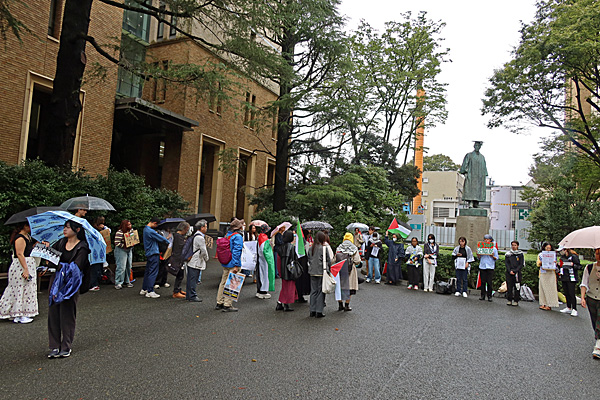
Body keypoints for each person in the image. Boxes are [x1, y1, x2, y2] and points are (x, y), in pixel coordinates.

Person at [47, 220, 90, 358]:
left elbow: (76, 267)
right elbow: (52, 259)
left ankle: (66, 346)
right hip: (56, 281)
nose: (65, 230)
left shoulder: (82, 247)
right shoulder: (60, 242)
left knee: (67, 313)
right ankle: (54, 346)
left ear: (77, 230)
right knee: (53, 313)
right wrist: (46, 252)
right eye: (64, 227)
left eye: (68, 227)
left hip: (71, 283)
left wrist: (60, 266)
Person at [0, 222, 38, 324]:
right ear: (24, 226)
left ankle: (20, 312)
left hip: (28, 263)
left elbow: (28, 250)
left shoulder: (28, 237)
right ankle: (19, 314)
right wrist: (25, 269)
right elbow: (20, 254)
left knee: (27, 288)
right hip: (21, 265)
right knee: (20, 288)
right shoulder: (20, 238)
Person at [216, 218, 244, 312]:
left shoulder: (227, 235)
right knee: (232, 283)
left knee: (223, 282)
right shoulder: (238, 236)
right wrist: (236, 265)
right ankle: (227, 304)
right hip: (233, 263)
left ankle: (219, 302)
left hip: (226, 262)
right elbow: (237, 251)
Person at [140, 217, 171, 299]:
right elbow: (162, 239)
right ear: (154, 223)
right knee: (153, 272)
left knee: (148, 271)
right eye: (156, 225)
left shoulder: (145, 229)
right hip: (153, 252)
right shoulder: (151, 231)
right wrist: (168, 242)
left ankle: (144, 288)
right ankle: (150, 291)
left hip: (149, 253)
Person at [580, 248, 600, 359]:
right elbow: (584, 283)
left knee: (599, 321)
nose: (599, 256)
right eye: (597, 253)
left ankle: (598, 346)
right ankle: (598, 339)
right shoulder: (589, 267)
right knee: (594, 320)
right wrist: (582, 297)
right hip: (591, 298)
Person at [335, 233, 361, 311]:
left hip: (340, 269)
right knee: (350, 288)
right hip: (350, 270)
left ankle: (340, 304)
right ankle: (347, 305)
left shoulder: (339, 247)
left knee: (340, 287)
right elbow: (357, 260)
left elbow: (334, 259)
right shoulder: (354, 248)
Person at [308, 231, 331, 318]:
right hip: (321, 272)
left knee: (313, 291)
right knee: (321, 291)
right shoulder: (324, 248)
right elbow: (329, 261)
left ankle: (312, 310)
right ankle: (319, 311)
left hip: (312, 272)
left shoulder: (311, 248)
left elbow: (309, 259)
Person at [186, 220, 210, 302]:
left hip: (192, 260)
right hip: (196, 261)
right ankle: (192, 296)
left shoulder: (195, 235)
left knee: (190, 279)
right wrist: (206, 258)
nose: (206, 228)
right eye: (206, 226)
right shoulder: (200, 238)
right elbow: (203, 250)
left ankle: (189, 295)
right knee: (193, 279)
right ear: (202, 227)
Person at [460, 141, 487, 208]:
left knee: (478, 189)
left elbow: (484, 167)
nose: (477, 147)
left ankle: (476, 203)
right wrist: (465, 172)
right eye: (476, 145)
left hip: (479, 176)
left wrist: (484, 175)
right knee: (471, 189)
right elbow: (465, 164)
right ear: (474, 146)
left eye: (479, 146)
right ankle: (471, 203)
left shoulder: (482, 157)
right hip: (471, 175)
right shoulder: (469, 155)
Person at [275, 230, 298, 311]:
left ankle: (280, 303)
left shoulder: (280, 247)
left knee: (285, 287)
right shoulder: (292, 247)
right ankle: (286, 304)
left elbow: (278, 261)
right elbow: (294, 259)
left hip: (282, 270)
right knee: (289, 288)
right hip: (290, 271)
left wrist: (279, 271)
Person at [558, 247, 581, 317]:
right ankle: (568, 307)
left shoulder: (573, 257)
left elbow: (579, 266)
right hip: (564, 277)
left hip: (571, 278)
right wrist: (558, 265)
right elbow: (561, 267)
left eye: (562, 250)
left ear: (566, 250)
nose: (561, 252)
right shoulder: (562, 257)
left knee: (571, 293)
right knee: (566, 293)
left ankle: (574, 309)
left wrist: (573, 265)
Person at [169, 222, 190, 299]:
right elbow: (182, 246)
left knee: (180, 275)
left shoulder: (178, 236)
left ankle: (178, 289)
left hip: (178, 257)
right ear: (184, 229)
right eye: (187, 229)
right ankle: (176, 291)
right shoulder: (178, 236)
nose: (187, 231)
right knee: (179, 275)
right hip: (178, 258)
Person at [89, 216, 109, 291]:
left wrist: (104, 228)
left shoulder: (103, 229)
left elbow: (108, 231)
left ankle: (96, 283)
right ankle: (93, 284)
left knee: (98, 268)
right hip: (94, 253)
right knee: (94, 269)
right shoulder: (93, 231)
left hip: (100, 253)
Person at [113, 220, 135, 289]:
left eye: (130, 224)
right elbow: (117, 243)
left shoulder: (131, 231)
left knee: (129, 266)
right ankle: (118, 282)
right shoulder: (119, 232)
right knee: (121, 267)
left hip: (129, 249)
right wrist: (125, 245)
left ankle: (127, 281)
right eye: (128, 225)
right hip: (121, 250)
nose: (130, 226)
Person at [537, 242, 559, 311]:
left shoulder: (553, 255)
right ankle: (543, 303)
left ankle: (549, 304)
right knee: (542, 288)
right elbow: (538, 264)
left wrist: (555, 263)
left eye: (549, 248)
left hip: (551, 273)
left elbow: (556, 263)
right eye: (547, 248)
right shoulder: (540, 255)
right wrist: (542, 263)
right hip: (543, 273)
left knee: (550, 289)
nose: (548, 249)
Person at [256, 225, 275, 299]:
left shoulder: (260, 236)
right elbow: (266, 251)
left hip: (261, 259)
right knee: (265, 275)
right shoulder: (264, 238)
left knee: (261, 274)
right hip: (265, 260)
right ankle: (263, 291)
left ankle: (259, 291)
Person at [477, 234, 498, 302]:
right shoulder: (481, 248)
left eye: (488, 239)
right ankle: (482, 295)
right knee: (483, 282)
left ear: (490, 240)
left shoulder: (494, 248)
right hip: (482, 266)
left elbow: (496, 258)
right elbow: (478, 258)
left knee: (489, 282)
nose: (486, 241)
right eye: (485, 239)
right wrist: (478, 255)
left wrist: (492, 256)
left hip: (490, 266)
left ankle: (489, 296)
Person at [504, 240, 524, 306]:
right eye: (512, 245)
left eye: (515, 245)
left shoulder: (520, 254)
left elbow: (521, 264)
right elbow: (507, 263)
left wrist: (515, 271)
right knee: (509, 286)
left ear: (517, 246)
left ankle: (516, 300)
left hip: (517, 273)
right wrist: (510, 271)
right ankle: (509, 299)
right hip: (509, 273)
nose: (513, 246)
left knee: (517, 287)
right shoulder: (508, 254)